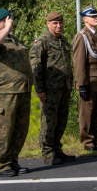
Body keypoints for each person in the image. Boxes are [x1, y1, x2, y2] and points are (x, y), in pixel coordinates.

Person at [0, 9, 34, 177]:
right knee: (3, 132)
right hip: (1, 95)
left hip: (21, 91)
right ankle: (1, 166)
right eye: (5, 20)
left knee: (20, 131)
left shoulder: (13, 40)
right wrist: (7, 27)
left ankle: (12, 162)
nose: (9, 21)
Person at [30, 11, 75, 165]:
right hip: (49, 89)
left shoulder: (63, 40)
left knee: (61, 120)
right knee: (49, 122)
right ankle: (48, 153)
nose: (59, 26)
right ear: (48, 23)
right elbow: (36, 67)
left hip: (64, 87)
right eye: (55, 23)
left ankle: (57, 149)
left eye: (60, 23)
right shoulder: (42, 41)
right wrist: (39, 89)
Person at [72, 6, 97, 152]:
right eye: (93, 16)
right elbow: (79, 62)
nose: (96, 18)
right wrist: (82, 84)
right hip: (88, 82)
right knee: (86, 114)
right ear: (85, 19)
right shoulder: (82, 36)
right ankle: (88, 142)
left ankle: (95, 140)